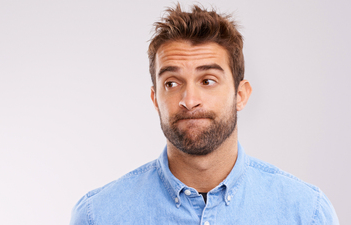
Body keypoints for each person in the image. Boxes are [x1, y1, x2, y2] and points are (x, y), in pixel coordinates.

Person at [70, 4, 339, 225]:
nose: (189, 100)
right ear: (155, 99)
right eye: (172, 83)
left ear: (241, 95)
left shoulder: (306, 213)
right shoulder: (99, 216)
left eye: (208, 80)